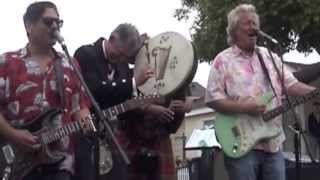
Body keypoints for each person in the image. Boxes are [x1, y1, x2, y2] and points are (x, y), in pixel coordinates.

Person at [205, 3, 316, 180]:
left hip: (273, 144)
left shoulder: (269, 56)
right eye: (247, 23)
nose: (253, 27)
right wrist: (244, 108)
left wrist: (315, 91)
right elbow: (212, 99)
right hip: (241, 143)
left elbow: (291, 85)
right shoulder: (223, 60)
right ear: (234, 31)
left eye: (254, 23)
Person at [74, 23, 192, 180]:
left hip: (116, 137)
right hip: (89, 133)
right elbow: (94, 91)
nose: (123, 60)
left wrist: (180, 106)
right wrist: (138, 88)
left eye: (126, 57)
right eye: (121, 54)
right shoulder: (86, 53)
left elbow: (128, 101)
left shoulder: (122, 65)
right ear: (112, 38)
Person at [0, 1, 91, 180]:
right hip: (14, 163)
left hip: (61, 164)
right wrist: (14, 134)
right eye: (48, 22)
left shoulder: (70, 64)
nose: (55, 26)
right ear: (29, 25)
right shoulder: (7, 62)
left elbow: (79, 107)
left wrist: (91, 126)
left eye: (59, 22)